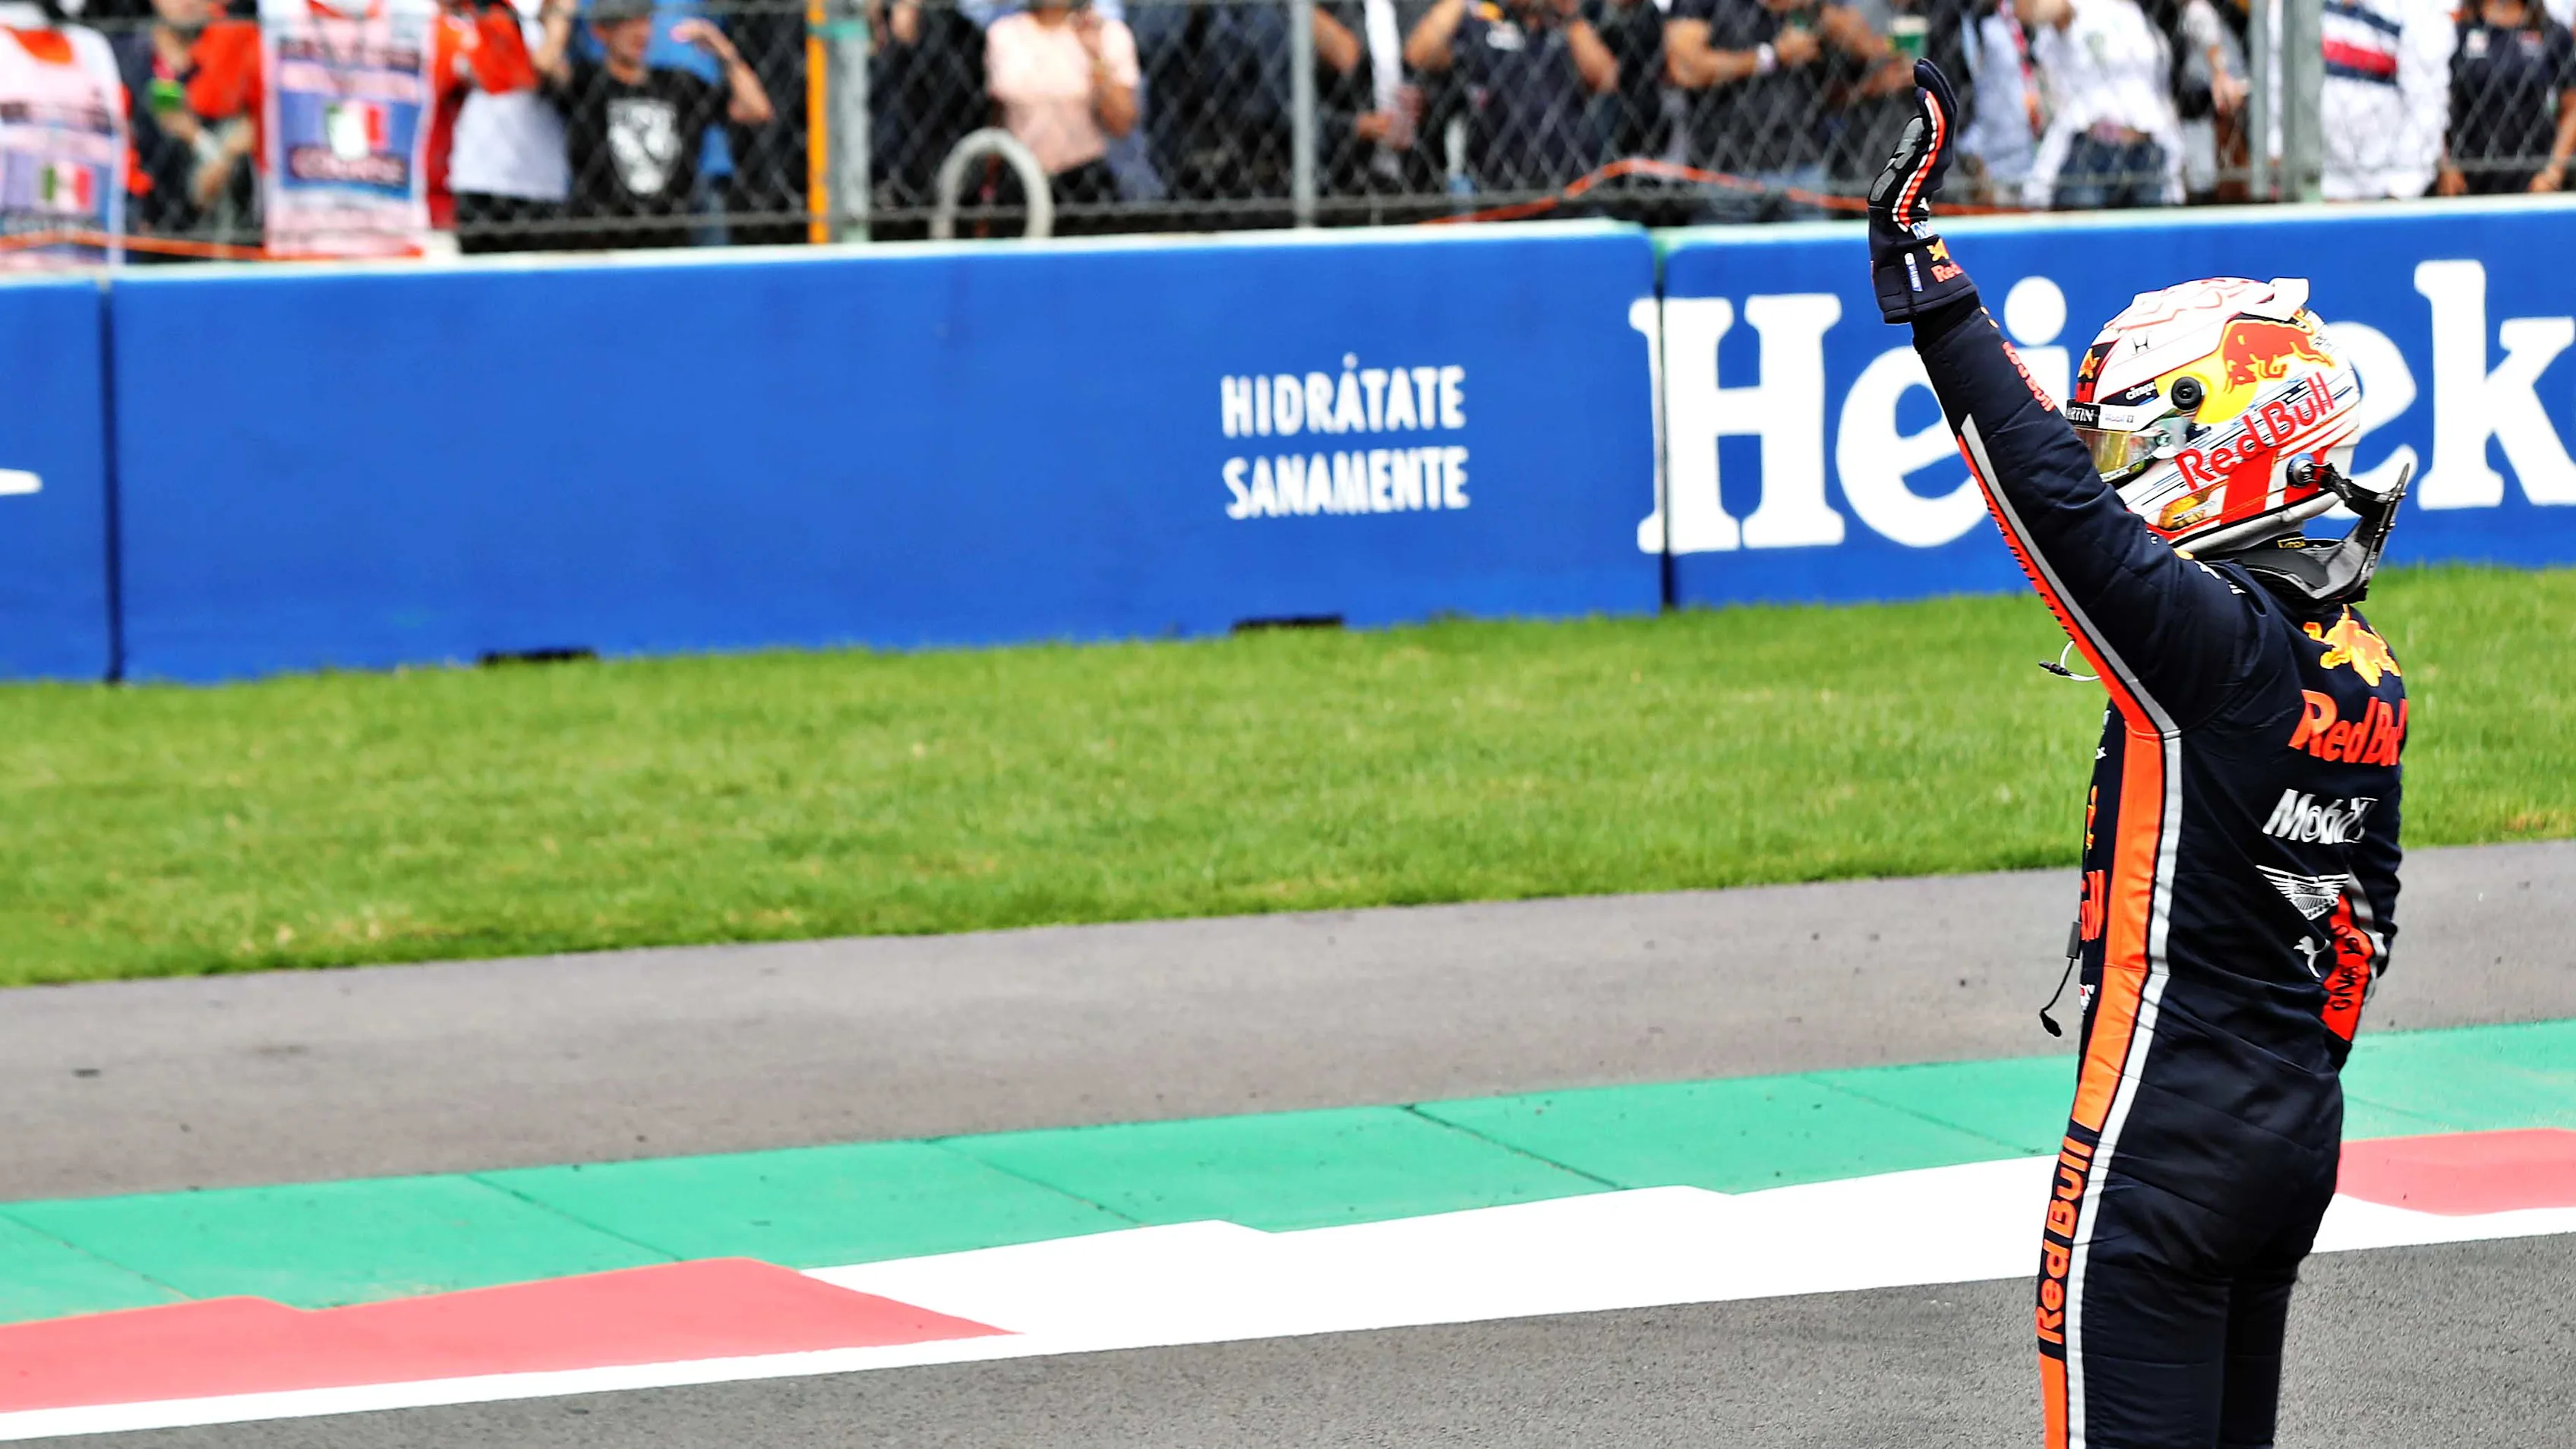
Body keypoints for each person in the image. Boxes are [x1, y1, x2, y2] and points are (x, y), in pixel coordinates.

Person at [1870, 59, 2410, 1449]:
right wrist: (2275, 1079)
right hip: (2289, 1138)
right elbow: (2360, 928)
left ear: (2214, 449)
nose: (2115, 464)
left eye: (2139, 438)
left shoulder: (2207, 654)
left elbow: (2053, 509)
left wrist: (1929, 289)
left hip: (2155, 1149)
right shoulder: (2363, 664)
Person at [535, 0, 773, 249]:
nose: (640, 33)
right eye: (627, 25)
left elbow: (756, 109)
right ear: (602, 32)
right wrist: (561, 16)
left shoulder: (679, 84)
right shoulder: (587, 82)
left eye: (644, 21)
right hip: (600, 240)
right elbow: (544, 64)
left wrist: (722, 49)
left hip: (668, 236)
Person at [1662, 0, 1894, 220]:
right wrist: (1772, 56)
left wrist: (1813, 7)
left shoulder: (1811, 7)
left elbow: (1869, 47)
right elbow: (1685, 69)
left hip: (1803, 163)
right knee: (1724, 260)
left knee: (1812, 259)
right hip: (1726, 168)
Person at [1405, 0, 1618, 193]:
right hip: (1496, 187)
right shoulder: (1483, 21)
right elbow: (1419, 54)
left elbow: (1606, 79)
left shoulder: (1566, 27)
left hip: (1572, 185)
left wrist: (1570, 14)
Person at [983, 0, 1139, 220]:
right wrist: (987, 193)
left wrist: (1095, 56)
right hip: (1018, 179)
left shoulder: (1108, 34)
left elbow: (1121, 124)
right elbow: (997, 119)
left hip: (1083, 180)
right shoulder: (1003, 34)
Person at [2017, 0, 2183, 207]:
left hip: (2146, 150)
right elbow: (2027, 11)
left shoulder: (2142, 15)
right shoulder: (2077, 8)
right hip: (2090, 151)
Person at [443, 0, 571, 251]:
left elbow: (547, 69)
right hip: (480, 174)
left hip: (543, 179)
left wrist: (558, 26)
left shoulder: (560, 14)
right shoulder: (483, 10)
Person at [2436, 0, 2576, 194]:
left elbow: (2572, 106)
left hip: (2533, 183)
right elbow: (2430, 103)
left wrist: (2554, 170)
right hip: (2466, 181)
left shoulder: (2551, 32)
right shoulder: (2455, 29)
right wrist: (2445, 164)